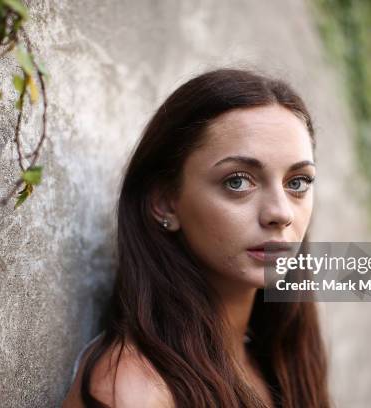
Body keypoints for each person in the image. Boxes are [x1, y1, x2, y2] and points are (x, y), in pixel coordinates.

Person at [62, 68, 330, 408]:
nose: (281, 213)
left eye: (297, 183)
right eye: (238, 181)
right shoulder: (134, 391)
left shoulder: (277, 361)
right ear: (164, 201)